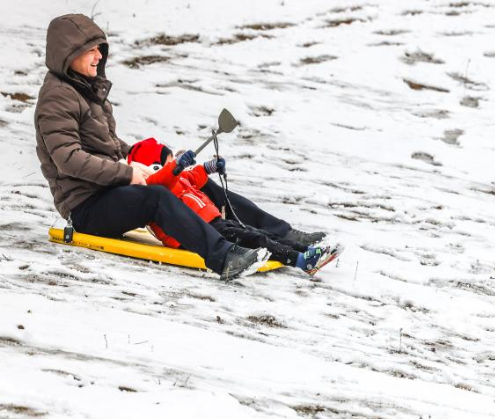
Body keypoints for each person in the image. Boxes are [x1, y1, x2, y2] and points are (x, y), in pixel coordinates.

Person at [33, 14, 324, 280]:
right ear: (67, 55)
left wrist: (155, 157)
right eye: (90, 50)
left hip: (109, 192)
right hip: (86, 208)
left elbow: (109, 146)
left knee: (196, 181)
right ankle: (225, 257)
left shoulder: (84, 90)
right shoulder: (57, 99)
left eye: (100, 48)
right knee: (156, 198)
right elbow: (68, 160)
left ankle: (286, 234)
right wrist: (127, 174)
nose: (99, 56)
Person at [126, 138, 339, 275]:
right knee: (256, 239)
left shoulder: (178, 178)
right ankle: (301, 260)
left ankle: (308, 251)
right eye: (170, 162)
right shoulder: (153, 187)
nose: (175, 165)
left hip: (214, 222)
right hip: (197, 231)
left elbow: (193, 177)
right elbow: (162, 182)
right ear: (154, 167)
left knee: (258, 233)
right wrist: (175, 167)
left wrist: (209, 167)